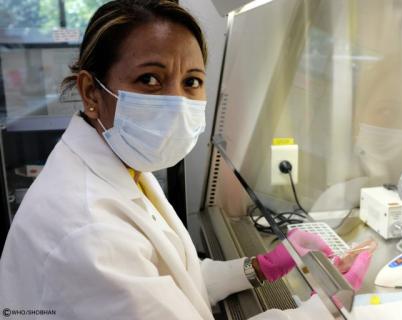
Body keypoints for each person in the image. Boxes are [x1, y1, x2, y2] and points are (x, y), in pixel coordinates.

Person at [0, 1, 373, 319]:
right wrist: (324, 308)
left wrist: (260, 267)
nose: (176, 102)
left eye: (192, 81)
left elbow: (173, 279)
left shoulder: (119, 167)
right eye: (149, 79)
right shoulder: (87, 231)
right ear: (90, 92)